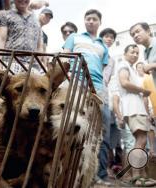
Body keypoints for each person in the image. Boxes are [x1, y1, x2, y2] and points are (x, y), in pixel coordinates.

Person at [63, 9, 111, 185]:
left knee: (93, 132)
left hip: (97, 89)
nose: (91, 21)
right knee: (71, 125)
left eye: (94, 19)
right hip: (74, 82)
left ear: (99, 22)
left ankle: (90, 175)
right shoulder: (74, 37)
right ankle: (65, 171)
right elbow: (65, 57)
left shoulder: (103, 46)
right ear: (84, 21)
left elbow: (103, 69)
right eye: (88, 19)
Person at [116, 44, 156, 186]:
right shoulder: (123, 64)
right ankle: (137, 176)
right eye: (132, 52)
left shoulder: (130, 67)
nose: (135, 54)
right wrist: (143, 91)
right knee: (141, 140)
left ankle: (136, 175)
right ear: (125, 53)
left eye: (137, 53)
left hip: (134, 108)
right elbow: (124, 82)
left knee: (138, 142)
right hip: (133, 108)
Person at [0, 0, 43, 73]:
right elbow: (0, 40)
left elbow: (39, 47)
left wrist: (36, 66)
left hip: (32, 68)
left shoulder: (37, 21)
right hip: (10, 64)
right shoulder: (5, 15)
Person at [99, 27, 122, 177]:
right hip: (90, 93)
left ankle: (102, 174)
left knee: (105, 138)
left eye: (111, 38)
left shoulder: (112, 61)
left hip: (104, 97)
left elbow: (108, 81)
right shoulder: (95, 51)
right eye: (106, 36)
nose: (109, 39)